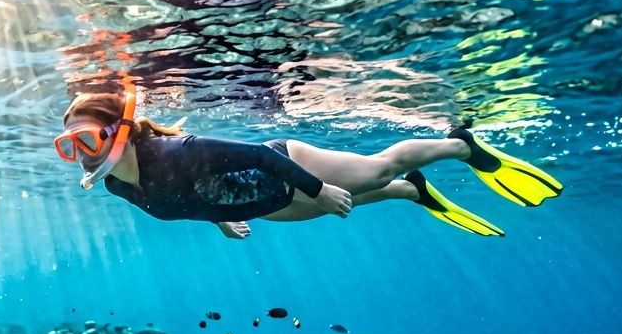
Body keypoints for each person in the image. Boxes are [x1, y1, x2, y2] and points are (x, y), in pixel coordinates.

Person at [54, 88, 563, 239]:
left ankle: (461, 145)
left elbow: (257, 155)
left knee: (374, 171)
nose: (83, 154)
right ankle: (415, 191)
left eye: (87, 138)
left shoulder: (174, 150)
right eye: (69, 146)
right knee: (344, 206)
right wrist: (222, 220)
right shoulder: (118, 187)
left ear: (117, 129)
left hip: (286, 164)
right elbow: (181, 202)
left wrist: (316, 186)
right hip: (262, 204)